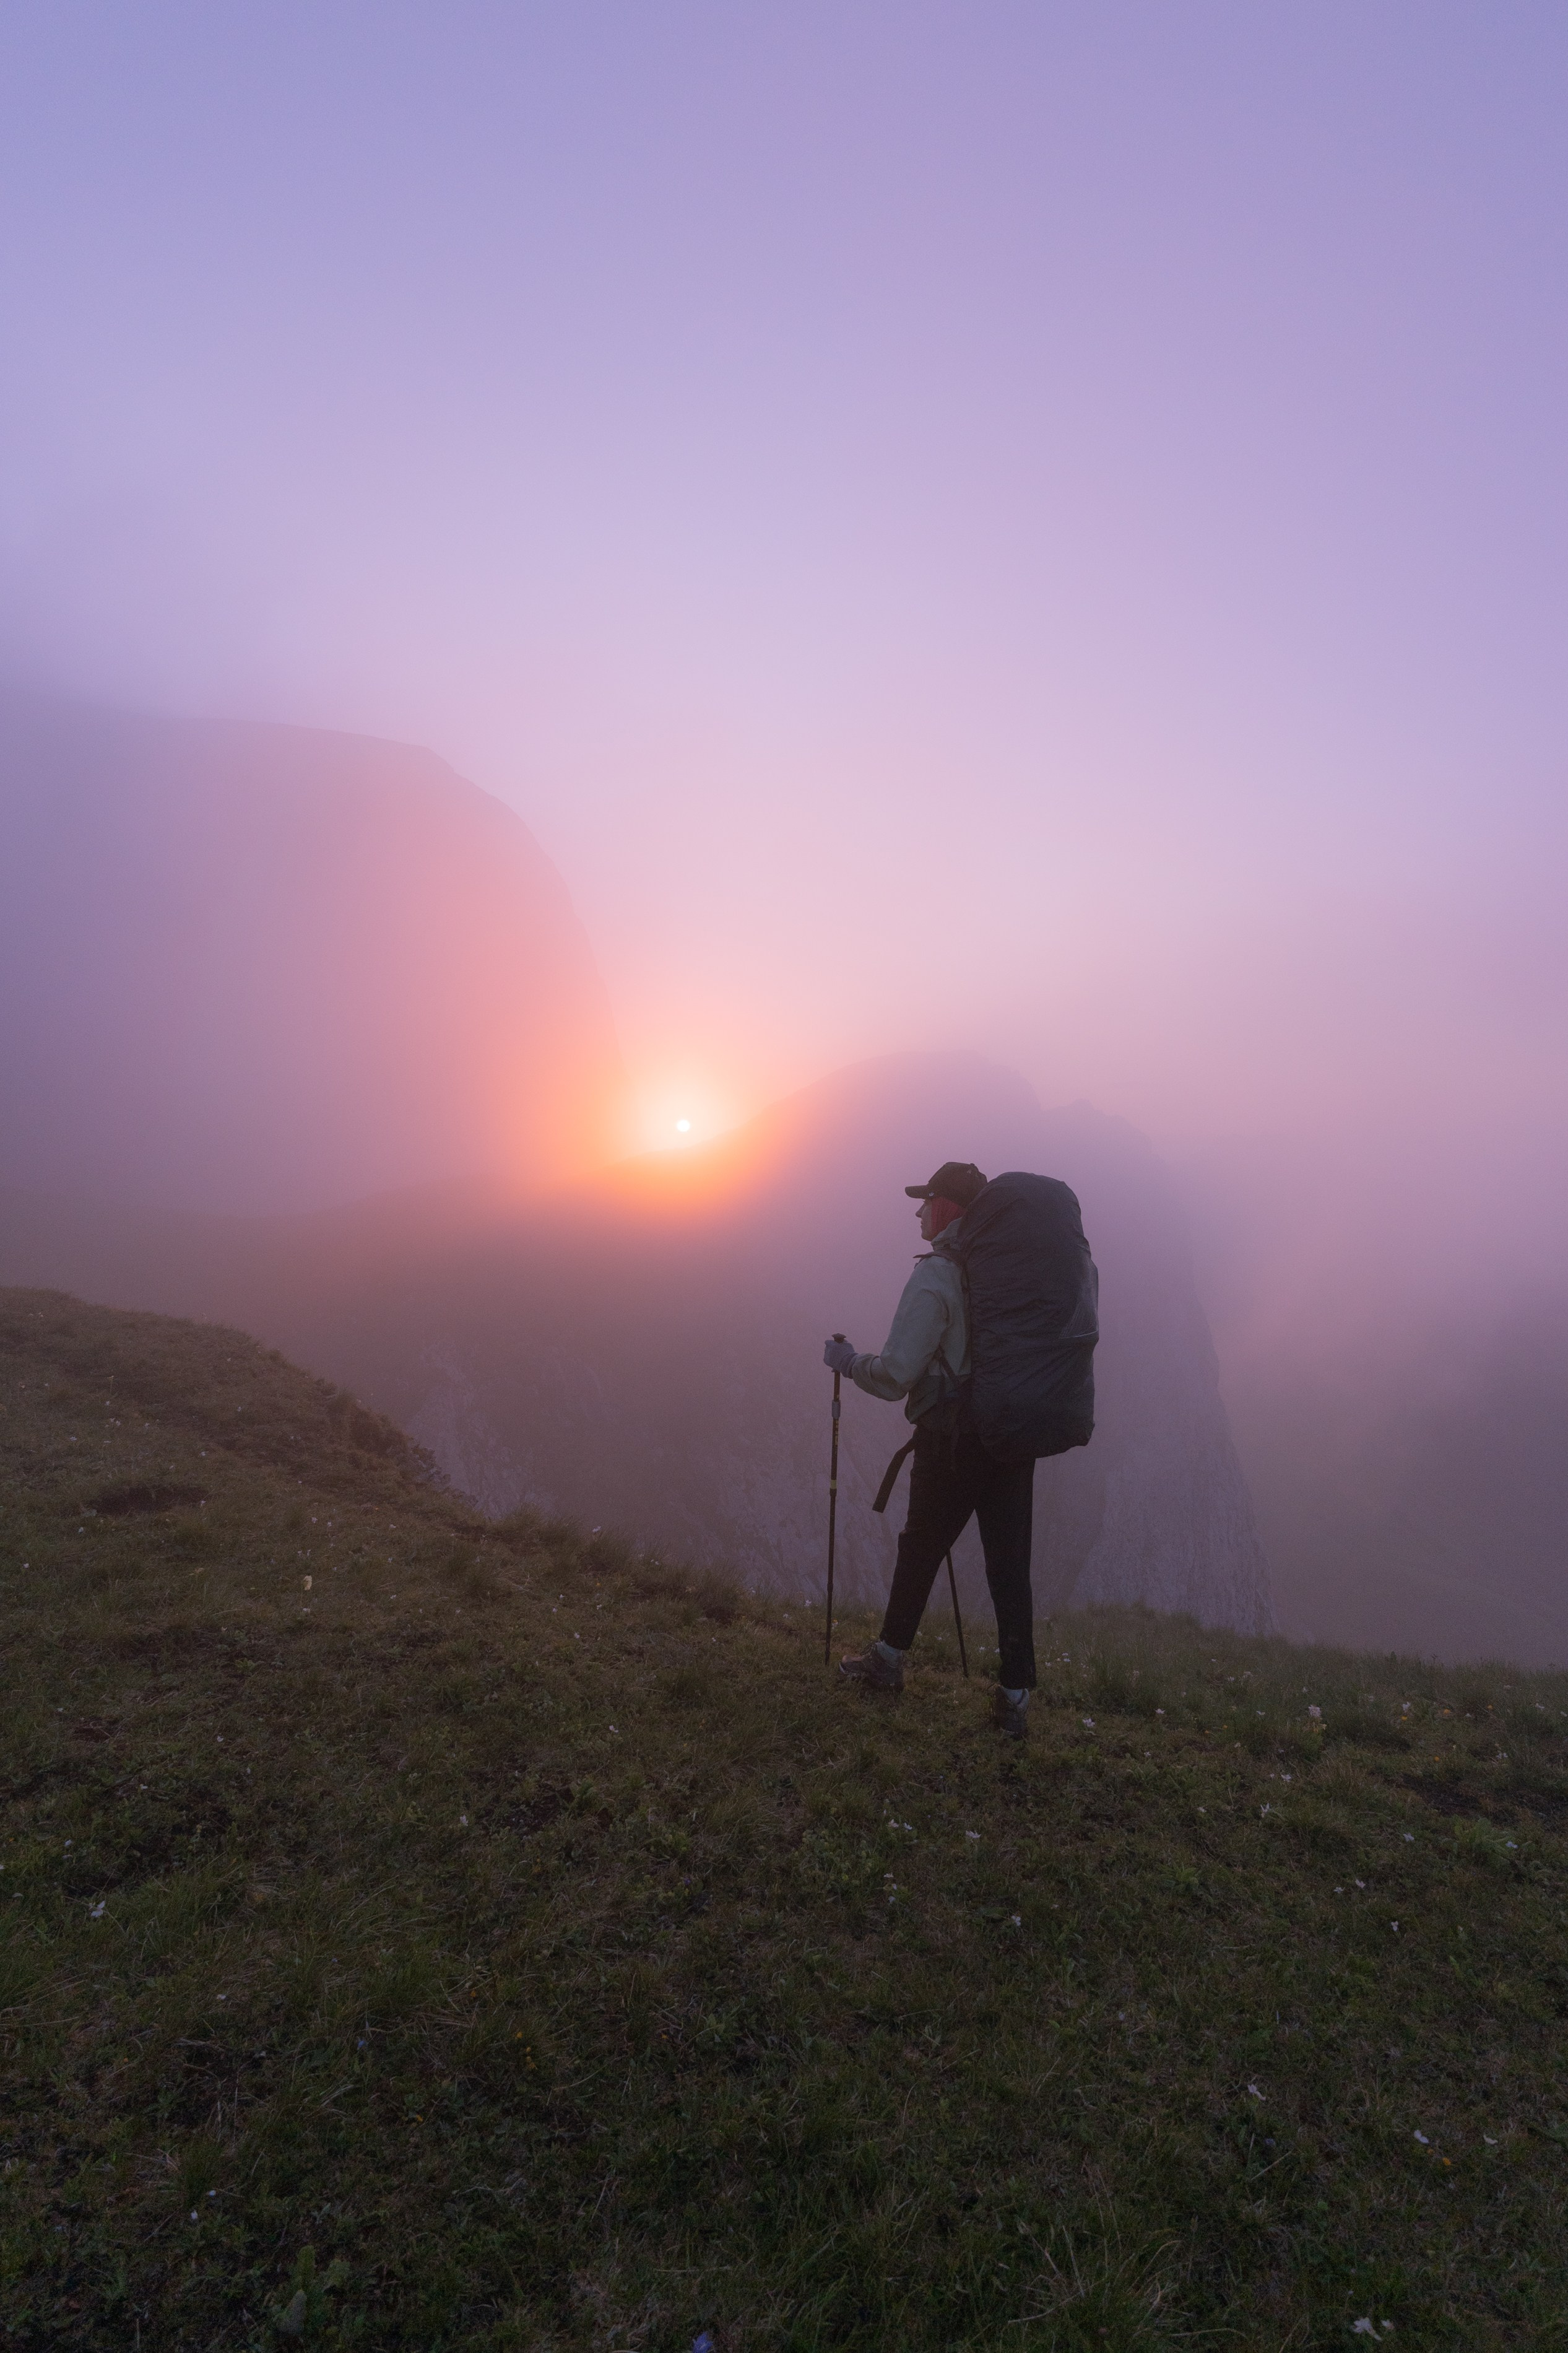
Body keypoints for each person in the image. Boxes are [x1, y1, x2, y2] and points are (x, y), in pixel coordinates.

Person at [823, 1159, 1039, 1739]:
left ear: (947, 1209)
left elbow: (895, 1374)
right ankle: (1014, 1696)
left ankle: (887, 1662)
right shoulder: (1014, 1270)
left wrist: (847, 1362)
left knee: (920, 1550)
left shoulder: (938, 1275)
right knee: (1009, 1567)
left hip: (951, 1441)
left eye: (926, 1201)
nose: (918, 1211)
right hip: (1014, 1439)